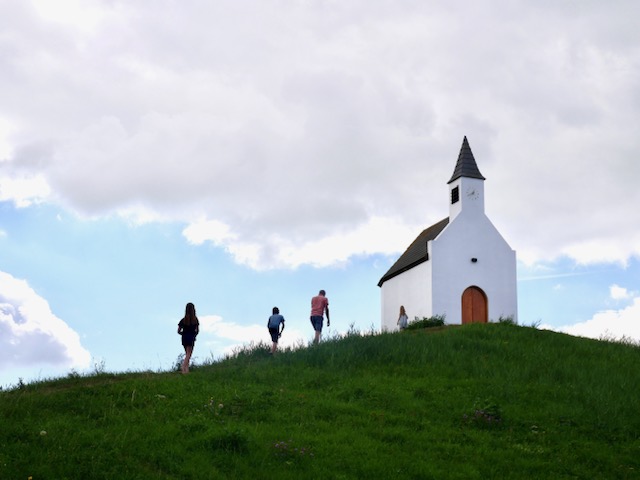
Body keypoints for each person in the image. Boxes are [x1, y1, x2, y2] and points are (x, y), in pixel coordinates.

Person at [177, 302, 199, 374]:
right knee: (189, 354)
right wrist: (194, 335)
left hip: (184, 337)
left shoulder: (183, 320)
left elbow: (178, 331)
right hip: (191, 338)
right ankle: (183, 368)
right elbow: (197, 330)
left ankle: (186, 370)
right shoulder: (195, 320)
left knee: (187, 353)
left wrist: (183, 334)